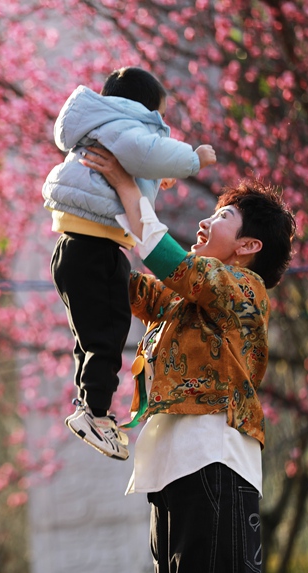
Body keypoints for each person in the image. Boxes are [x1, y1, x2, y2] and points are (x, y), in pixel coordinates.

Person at [82, 146, 295, 572]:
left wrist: (127, 186)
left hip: (215, 464)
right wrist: (81, 232)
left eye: (222, 217)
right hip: (171, 474)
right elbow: (122, 284)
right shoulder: (182, 299)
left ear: (248, 245)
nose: (204, 223)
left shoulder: (245, 289)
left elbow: (169, 261)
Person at [42, 66, 217, 459]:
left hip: (71, 247)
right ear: (144, 108)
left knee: (90, 338)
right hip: (98, 249)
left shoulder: (99, 124)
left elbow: (134, 166)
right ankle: (95, 413)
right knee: (108, 335)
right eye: (161, 115)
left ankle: (89, 407)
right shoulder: (127, 127)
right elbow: (147, 153)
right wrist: (193, 158)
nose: (161, 125)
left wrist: (156, 179)